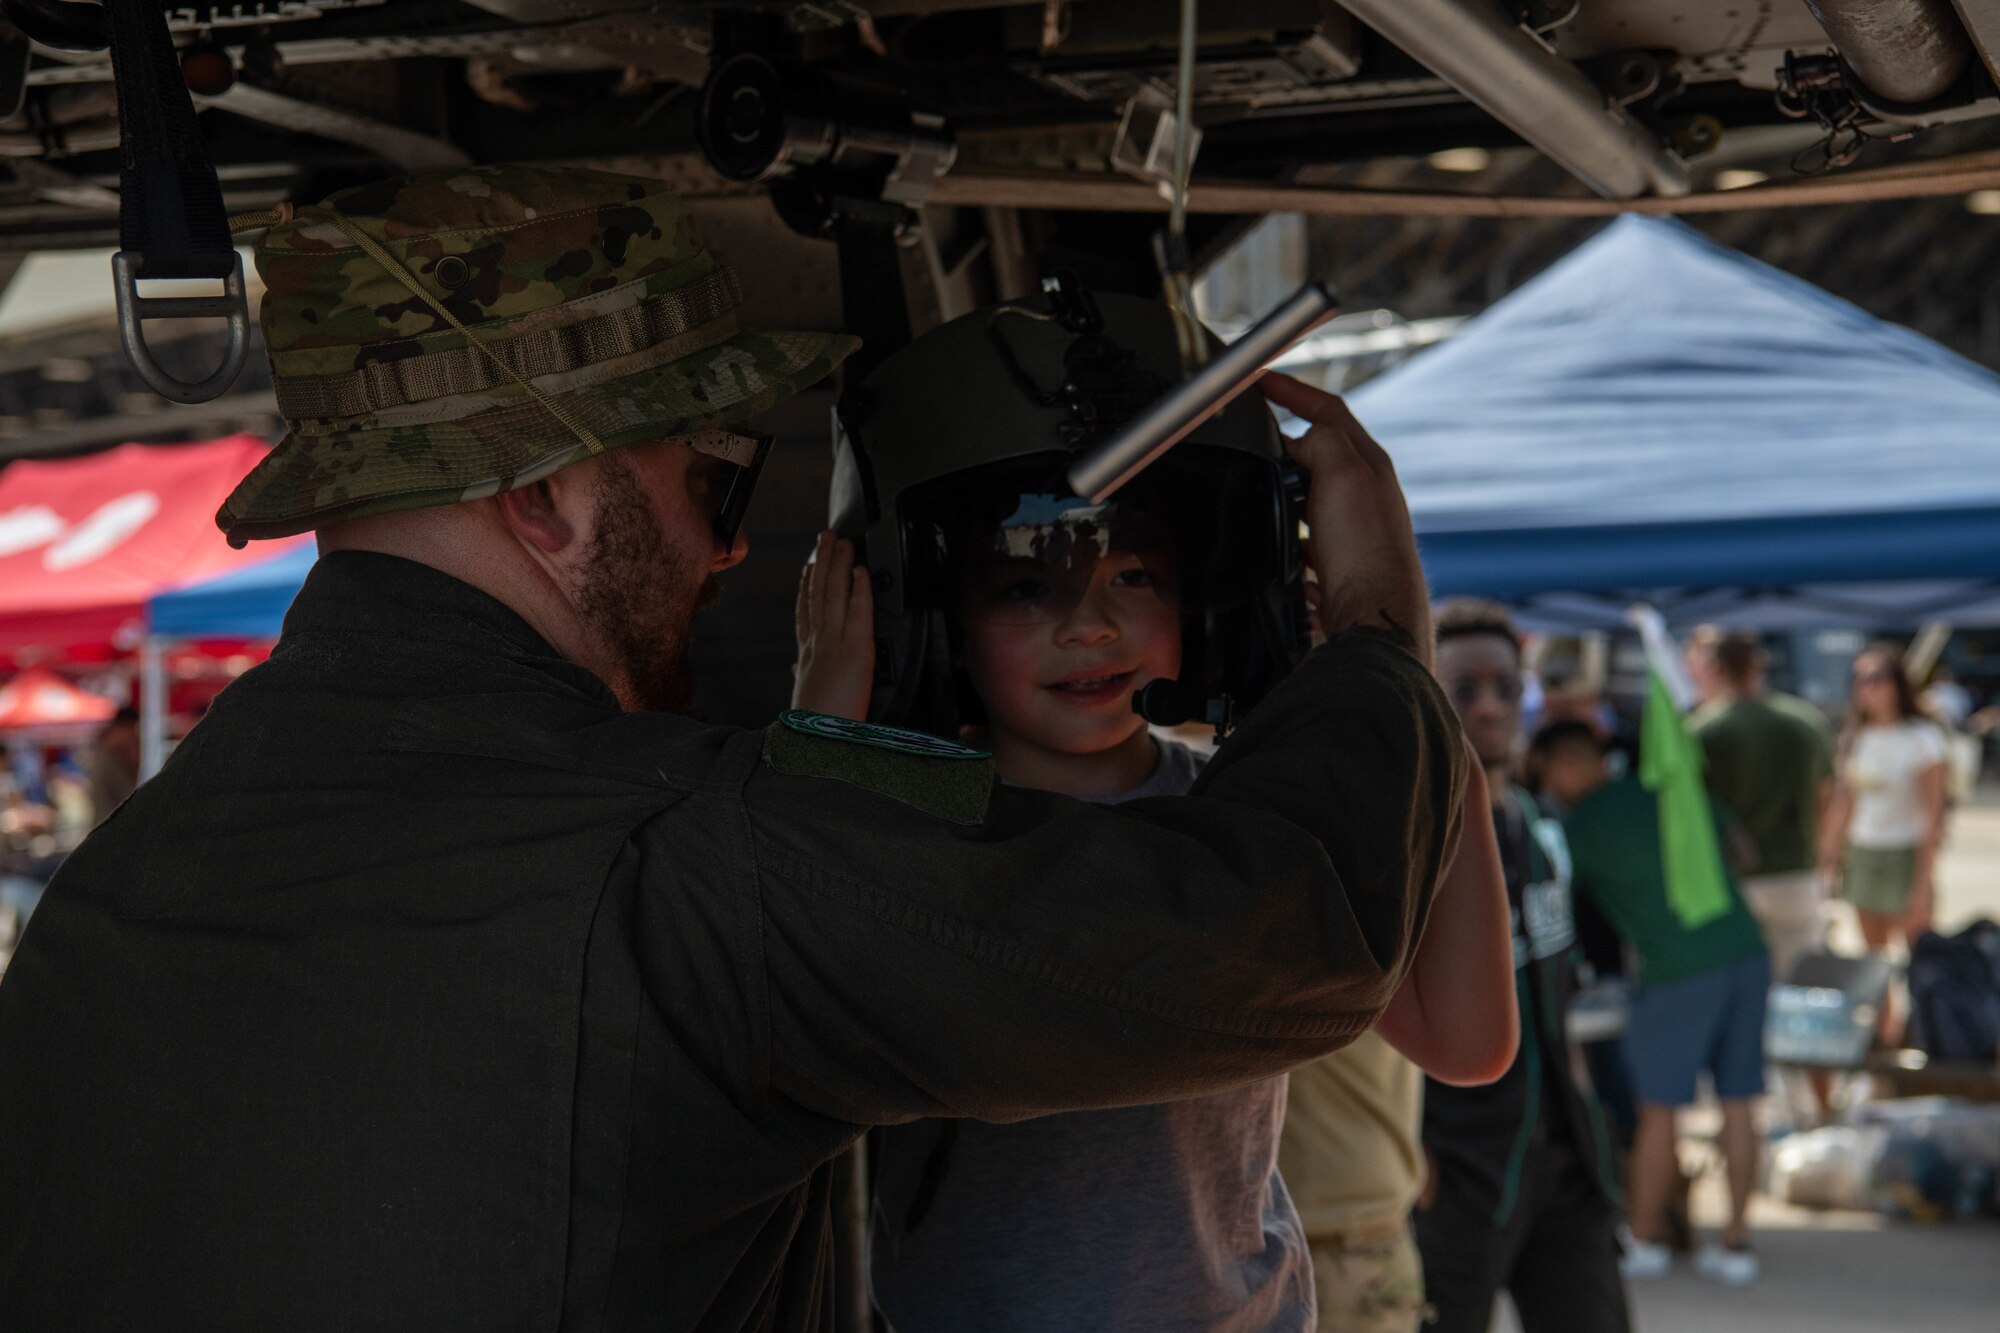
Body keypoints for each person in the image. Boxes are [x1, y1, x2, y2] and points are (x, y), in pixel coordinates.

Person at [0, 167, 1465, 1331]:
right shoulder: (689, 864)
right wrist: (1380, 632)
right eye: (716, 478)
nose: (721, 551)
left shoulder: (116, 889)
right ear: (546, 502)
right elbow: (1296, 933)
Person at [790, 288, 1515, 1333]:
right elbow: (784, 1012)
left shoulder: (1245, 815)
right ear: (929, 617)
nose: (1087, 624)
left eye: (1132, 573)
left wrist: (1392, 661)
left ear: (1203, 597)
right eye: (1022, 585)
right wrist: (823, 730)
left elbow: (1463, 1037)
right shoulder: (902, 822)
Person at [1415, 599, 1629, 1333]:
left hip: (1564, 1157)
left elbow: (1558, 1002)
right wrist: (1409, 1158)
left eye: (1507, 687)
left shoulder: (1539, 830)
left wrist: (1590, 1122)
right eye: (1463, 688)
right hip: (1455, 1166)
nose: (1489, 706)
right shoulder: (1408, 848)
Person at [1537, 721, 1770, 1288]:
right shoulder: (1667, 788)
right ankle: (1736, 1242)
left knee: (1659, 1110)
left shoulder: (1579, 827)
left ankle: (1643, 1239)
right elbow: (1745, 850)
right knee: (1740, 1102)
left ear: (1564, 765)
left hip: (1675, 972)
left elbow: (1551, 911)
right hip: (1746, 950)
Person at [1687, 628, 1834, 981]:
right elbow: (1829, 797)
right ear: (1761, 664)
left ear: (1714, 667)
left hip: (1729, 879)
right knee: (1796, 988)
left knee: (1735, 988)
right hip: (1794, 874)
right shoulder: (1805, 721)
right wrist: (1824, 859)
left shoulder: (1702, 729)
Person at [1822, 643, 1949, 961]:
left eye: (1877, 678)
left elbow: (1933, 815)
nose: (1868, 688)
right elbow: (1845, 803)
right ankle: (1885, 1013)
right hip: (1864, 852)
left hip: (1905, 853)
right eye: (1860, 679)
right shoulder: (1856, 736)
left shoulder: (1922, 738)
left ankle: (1918, 1014)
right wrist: (1827, 860)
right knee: (1871, 960)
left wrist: (1922, 884)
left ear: (1898, 684)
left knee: (1919, 956)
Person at [85, 706, 140, 826]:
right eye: (134, 730)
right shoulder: (110, 761)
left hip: (105, 826)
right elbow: (129, 796)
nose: (135, 737)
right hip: (112, 829)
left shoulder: (103, 754)